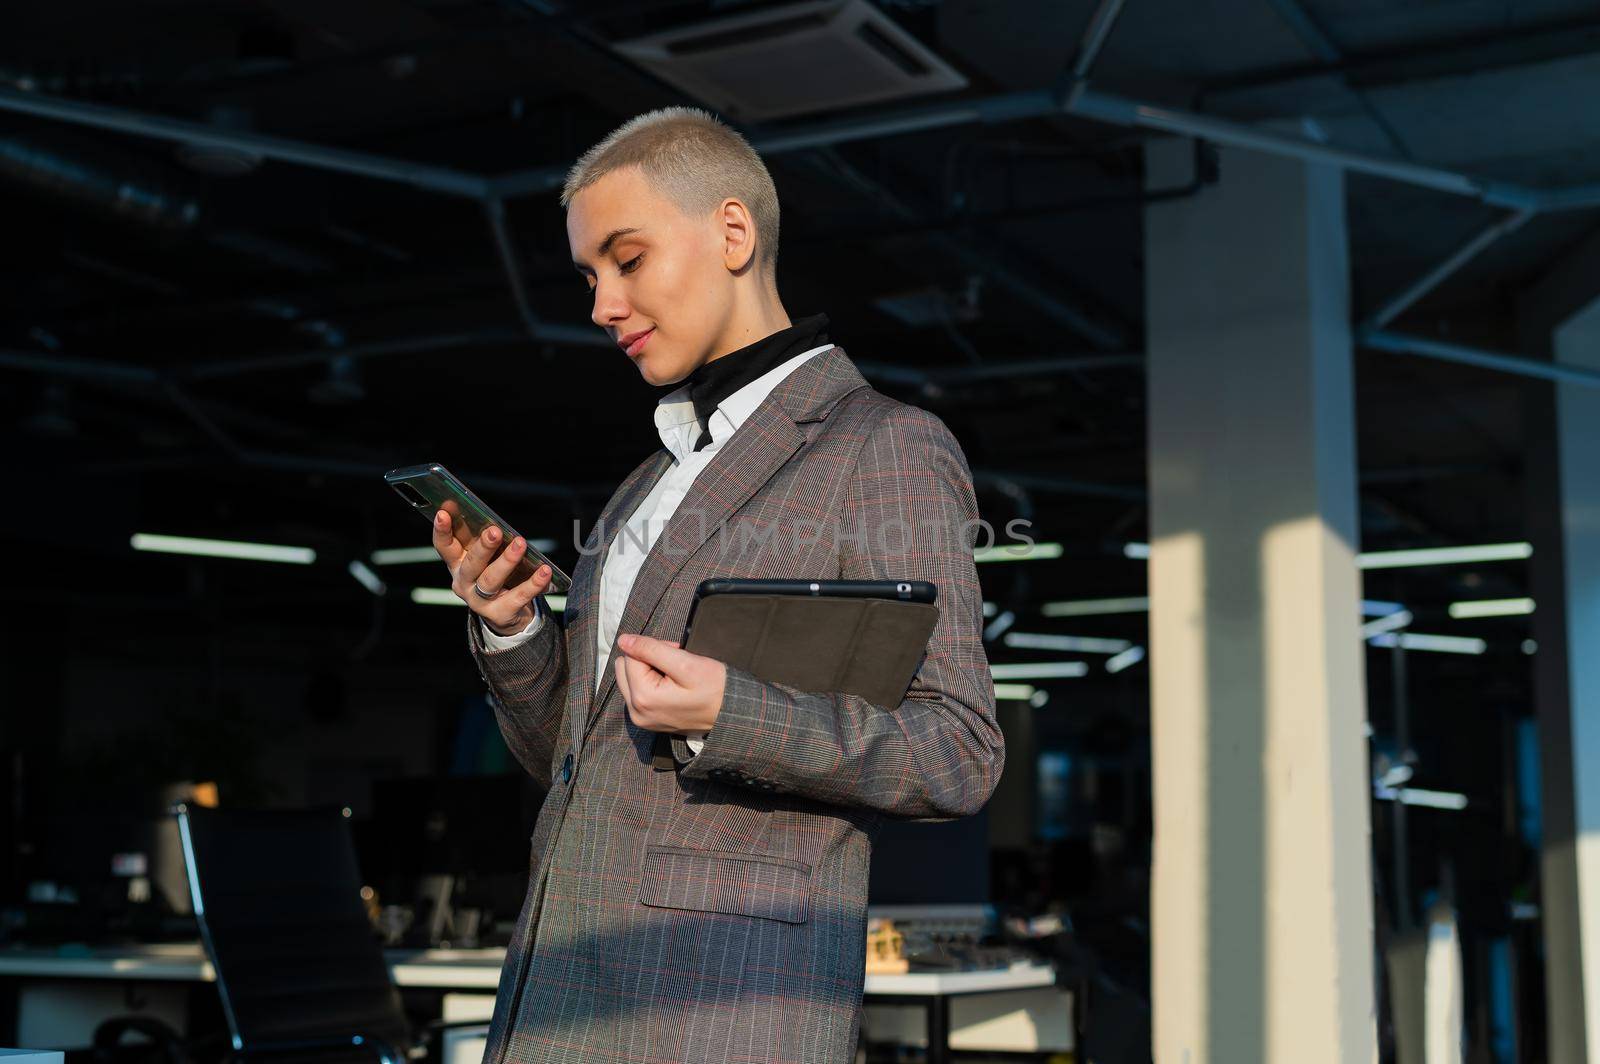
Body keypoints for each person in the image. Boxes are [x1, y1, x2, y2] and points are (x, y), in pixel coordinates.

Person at [429, 106, 1003, 1064]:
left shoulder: (883, 446)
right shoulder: (645, 483)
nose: (602, 304)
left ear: (733, 234)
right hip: (560, 989)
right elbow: (576, 766)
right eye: (589, 276)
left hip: (717, 1008)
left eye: (628, 259)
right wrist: (516, 630)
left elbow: (960, 751)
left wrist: (731, 711)